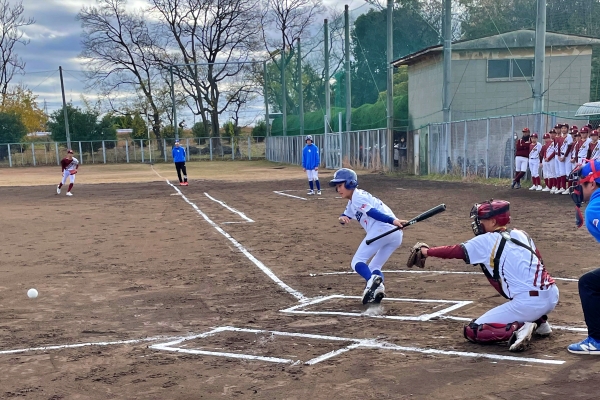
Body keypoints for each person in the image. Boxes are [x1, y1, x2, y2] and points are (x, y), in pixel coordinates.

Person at [409, 199, 558, 352]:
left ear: (493, 222)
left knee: (474, 330)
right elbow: (540, 262)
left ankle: (520, 328)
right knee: (519, 284)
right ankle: (541, 323)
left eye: (482, 220)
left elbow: (456, 251)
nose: (478, 223)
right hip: (552, 294)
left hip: (529, 304)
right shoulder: (521, 234)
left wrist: (426, 252)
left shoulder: (486, 241)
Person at [329, 168, 407, 304]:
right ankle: (378, 287)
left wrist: (393, 221)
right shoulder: (353, 200)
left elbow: (372, 212)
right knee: (374, 267)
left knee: (356, 262)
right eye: (337, 186)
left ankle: (372, 281)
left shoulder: (358, 198)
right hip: (395, 234)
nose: (338, 189)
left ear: (350, 183)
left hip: (382, 229)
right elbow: (346, 214)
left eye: (340, 185)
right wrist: (342, 219)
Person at [567, 160, 600, 354]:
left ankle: (596, 340)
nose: (578, 188)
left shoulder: (595, 208)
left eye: (582, 183)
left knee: (588, 284)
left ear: (593, 183)